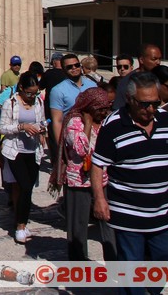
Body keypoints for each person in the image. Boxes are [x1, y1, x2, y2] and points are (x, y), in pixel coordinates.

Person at [91, 73, 168, 295]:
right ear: (130, 100)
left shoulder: (166, 120)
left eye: (155, 103)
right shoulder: (113, 125)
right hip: (128, 210)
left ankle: (151, 289)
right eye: (145, 104)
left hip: (164, 207)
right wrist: (99, 199)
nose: (151, 109)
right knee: (131, 264)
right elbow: (98, 165)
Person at [53, 87, 115, 261]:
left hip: (101, 179)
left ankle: (113, 260)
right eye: (100, 109)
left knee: (108, 220)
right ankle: (79, 264)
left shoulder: (105, 122)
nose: (103, 113)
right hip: (78, 180)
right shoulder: (74, 122)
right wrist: (87, 124)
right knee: (78, 224)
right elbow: (80, 149)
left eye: (106, 109)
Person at [0, 72, 46, 244]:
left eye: (35, 93)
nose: (32, 97)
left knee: (28, 188)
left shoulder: (39, 102)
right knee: (24, 186)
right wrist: (21, 126)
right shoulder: (10, 103)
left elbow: (42, 121)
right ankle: (19, 225)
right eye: (29, 93)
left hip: (33, 150)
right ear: (21, 88)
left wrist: (41, 130)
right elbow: (3, 128)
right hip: (15, 150)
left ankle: (23, 222)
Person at [49, 53, 98, 164]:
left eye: (76, 65)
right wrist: (60, 148)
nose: (74, 68)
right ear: (63, 69)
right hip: (72, 139)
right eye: (69, 67)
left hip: (93, 136)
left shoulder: (93, 86)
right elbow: (57, 121)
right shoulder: (58, 90)